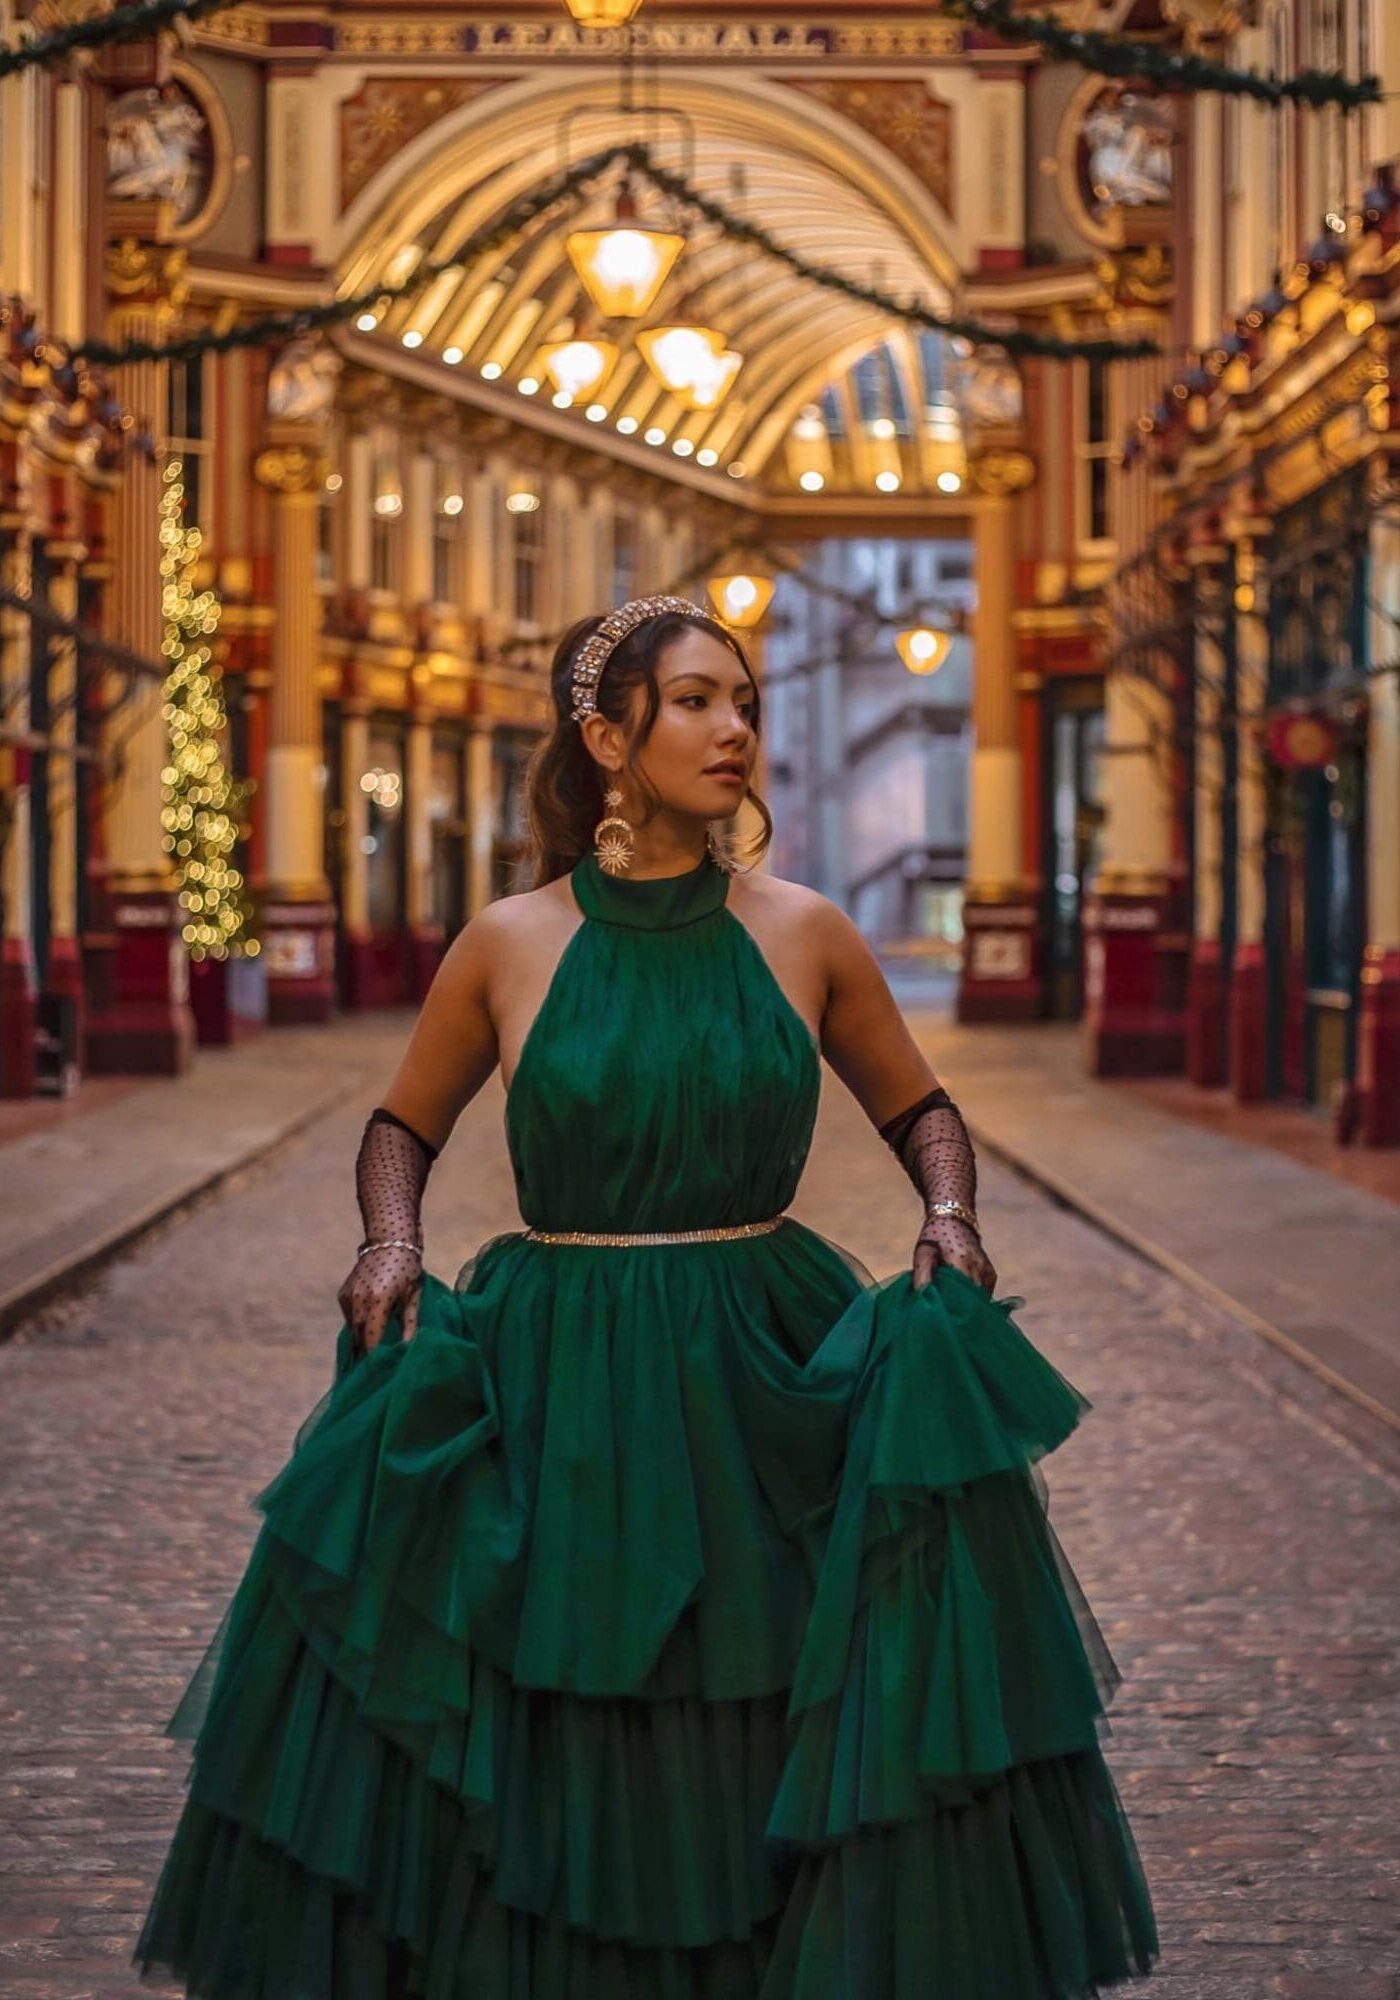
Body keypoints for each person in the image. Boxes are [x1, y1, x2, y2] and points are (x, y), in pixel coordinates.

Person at [132, 594, 1160, 1998]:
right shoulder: (510, 941)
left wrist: (951, 1213)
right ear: (608, 737)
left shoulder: (806, 931)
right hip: (562, 1362)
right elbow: (400, 1132)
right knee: (575, 1681)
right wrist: (389, 1242)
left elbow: (920, 1111)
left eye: (741, 698)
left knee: (770, 1675)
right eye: (693, 701)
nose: (734, 727)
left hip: (763, 1357)